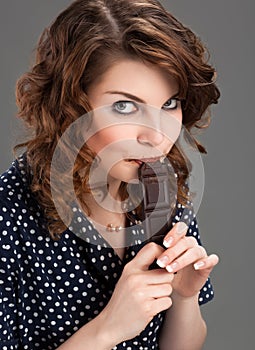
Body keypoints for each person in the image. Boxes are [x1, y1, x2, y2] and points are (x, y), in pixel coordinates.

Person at [0, 0, 220, 349]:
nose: (155, 136)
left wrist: (183, 297)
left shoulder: (162, 189)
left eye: (169, 104)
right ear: (69, 104)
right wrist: (107, 329)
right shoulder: (9, 217)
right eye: (124, 106)